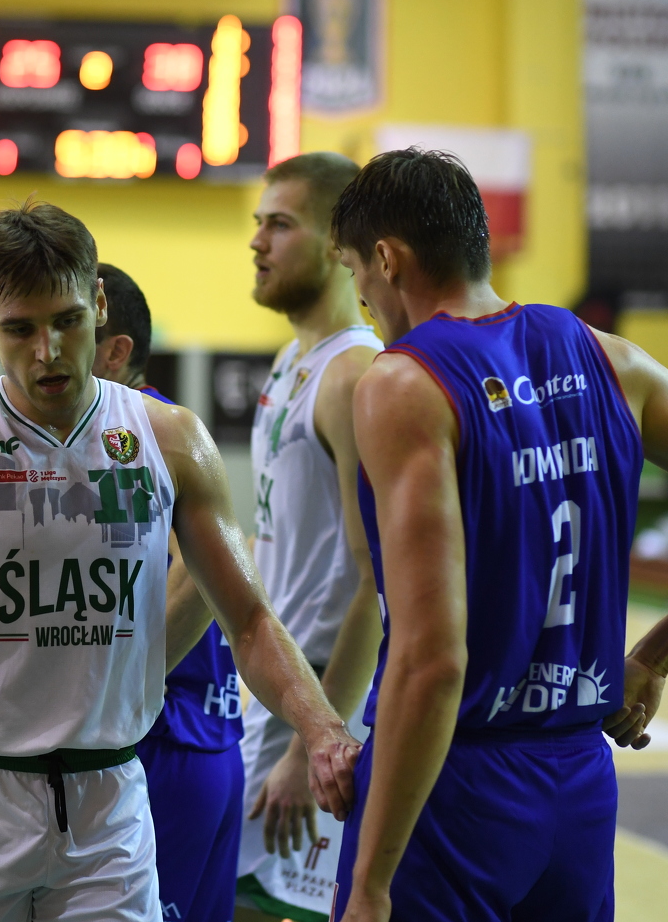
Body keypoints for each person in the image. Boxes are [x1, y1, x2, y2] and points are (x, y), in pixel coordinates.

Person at [0, 199, 359, 922]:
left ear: (99, 304)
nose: (48, 351)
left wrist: (321, 726)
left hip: (107, 804)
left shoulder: (171, 439)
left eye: (66, 320)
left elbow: (248, 617)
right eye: (20, 329)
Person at [327, 148, 668, 922]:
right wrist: (654, 657)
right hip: (578, 791)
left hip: (455, 787)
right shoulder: (609, 358)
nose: (363, 300)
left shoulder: (402, 382)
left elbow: (432, 661)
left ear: (387, 260)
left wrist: (370, 880)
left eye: (356, 274)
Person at [234, 152, 384, 922]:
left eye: (280, 224)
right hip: (270, 692)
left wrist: (311, 743)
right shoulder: (291, 359)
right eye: (258, 223)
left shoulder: (354, 375)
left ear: (334, 242)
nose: (257, 241)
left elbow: (375, 585)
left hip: (320, 706)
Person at [91, 261, 245, 922]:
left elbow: (206, 576)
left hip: (163, 741)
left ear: (115, 349)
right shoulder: (156, 426)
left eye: (68, 329)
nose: (46, 353)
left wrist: (119, 689)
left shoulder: (135, 434)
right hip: (209, 737)